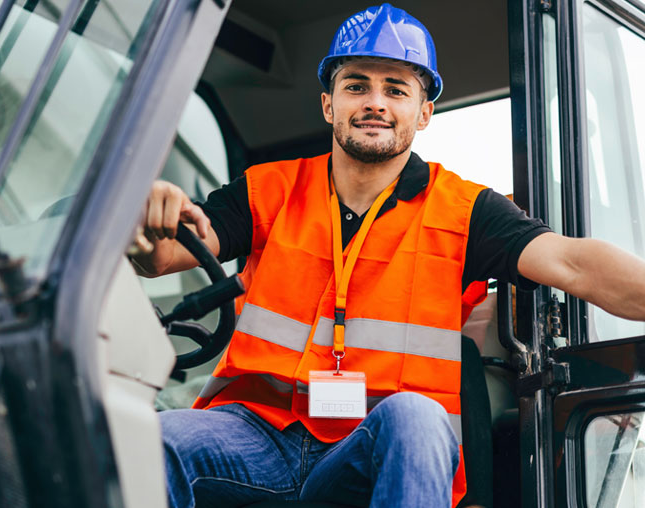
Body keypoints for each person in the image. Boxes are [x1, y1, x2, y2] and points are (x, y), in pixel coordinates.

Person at [130, 4, 645, 507]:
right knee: (153, 438)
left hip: (371, 446)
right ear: (329, 104)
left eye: (395, 89)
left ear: (423, 113)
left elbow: (573, 263)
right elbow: (162, 256)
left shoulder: (465, 210)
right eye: (356, 85)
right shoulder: (269, 189)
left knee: (417, 417)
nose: (375, 102)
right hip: (253, 434)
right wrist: (148, 214)